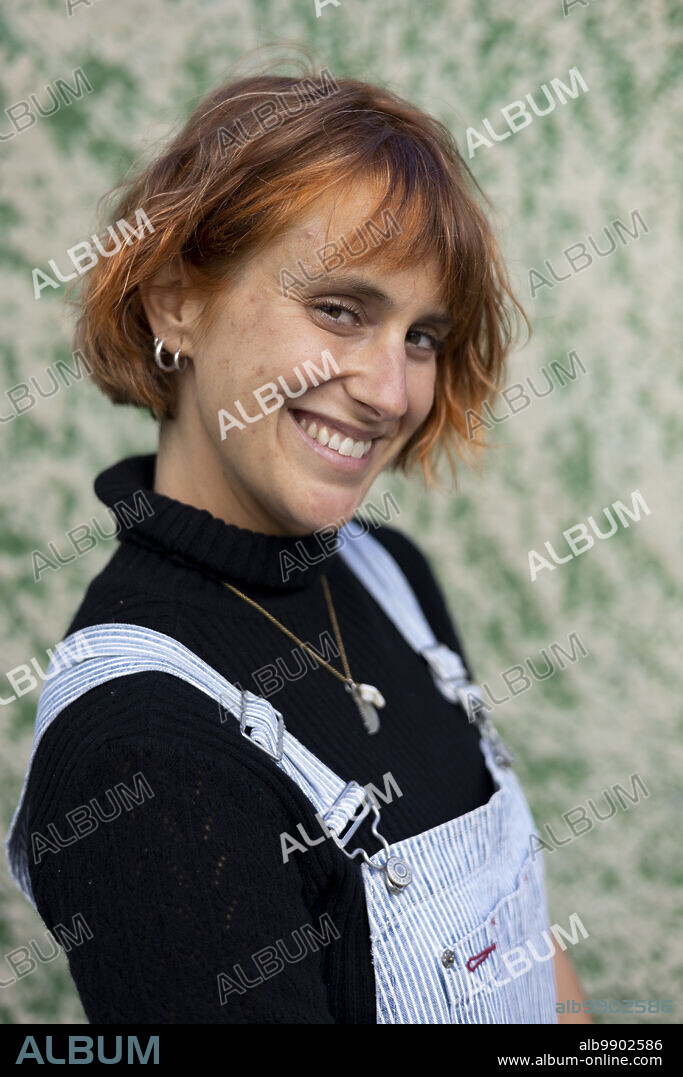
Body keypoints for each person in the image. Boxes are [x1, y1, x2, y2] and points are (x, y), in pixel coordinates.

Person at [5, 66, 590, 1024]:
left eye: (422, 335)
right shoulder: (140, 754)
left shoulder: (389, 574)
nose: (391, 392)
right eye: (340, 310)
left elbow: (529, 949)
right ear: (174, 303)